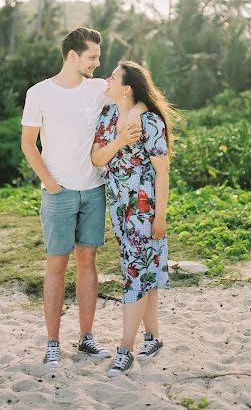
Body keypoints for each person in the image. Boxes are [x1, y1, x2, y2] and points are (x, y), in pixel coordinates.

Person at [21, 28, 144, 367]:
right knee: (57, 266)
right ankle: (52, 343)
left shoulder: (96, 89)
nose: (98, 63)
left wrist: (137, 118)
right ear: (73, 56)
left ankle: (86, 338)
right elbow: (28, 144)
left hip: (93, 190)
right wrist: (50, 183)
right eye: (92, 57)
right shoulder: (39, 93)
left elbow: (132, 95)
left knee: (87, 262)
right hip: (58, 193)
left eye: (99, 58)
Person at [91, 61, 174, 377]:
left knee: (134, 274)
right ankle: (153, 337)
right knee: (143, 270)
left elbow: (162, 171)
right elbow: (97, 158)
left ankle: (125, 350)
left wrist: (160, 217)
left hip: (143, 211)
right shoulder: (109, 115)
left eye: (112, 77)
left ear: (126, 87)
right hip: (118, 209)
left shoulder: (150, 122)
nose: (107, 80)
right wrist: (121, 141)